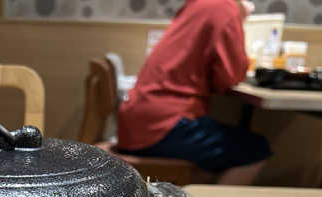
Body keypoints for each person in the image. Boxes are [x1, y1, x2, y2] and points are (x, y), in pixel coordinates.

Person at [115, 0, 270, 185]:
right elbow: (231, 77)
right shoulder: (225, 8)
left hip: (136, 120)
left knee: (231, 148)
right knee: (255, 151)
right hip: (164, 126)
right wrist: (239, 17)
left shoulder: (197, 3)